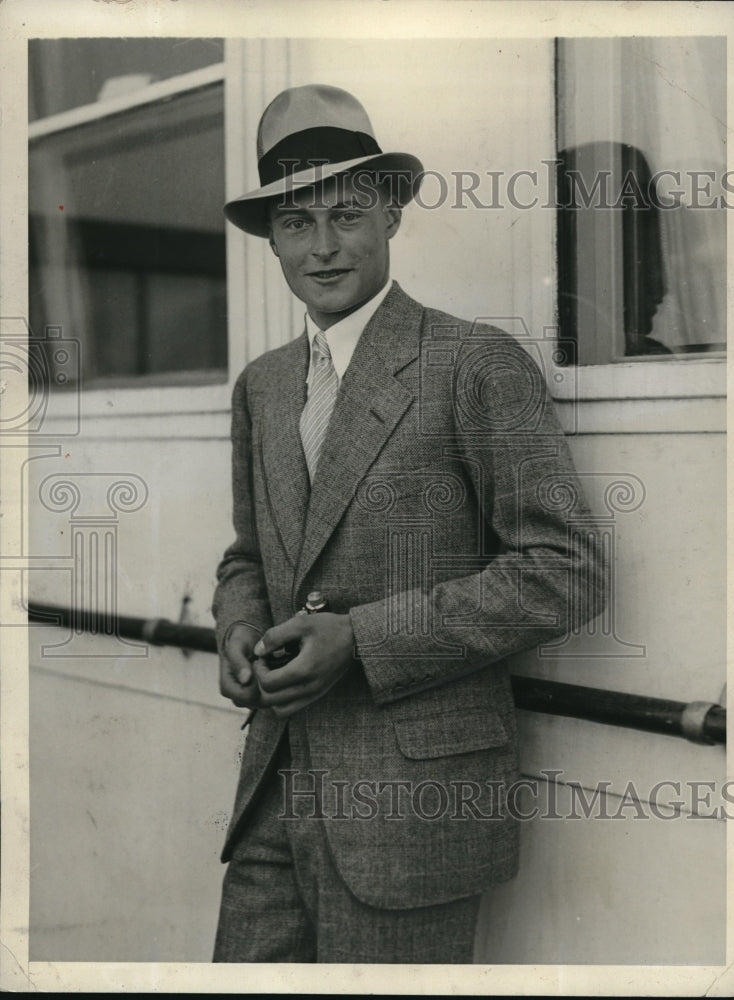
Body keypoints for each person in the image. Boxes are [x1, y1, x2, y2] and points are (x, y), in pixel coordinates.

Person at [212, 83, 607, 964]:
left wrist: (364, 638)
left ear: (390, 213)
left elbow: (567, 569)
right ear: (270, 238)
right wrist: (237, 626)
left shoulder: (475, 364)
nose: (322, 248)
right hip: (273, 790)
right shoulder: (263, 387)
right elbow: (250, 555)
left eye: (346, 215)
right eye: (295, 223)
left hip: (410, 814)